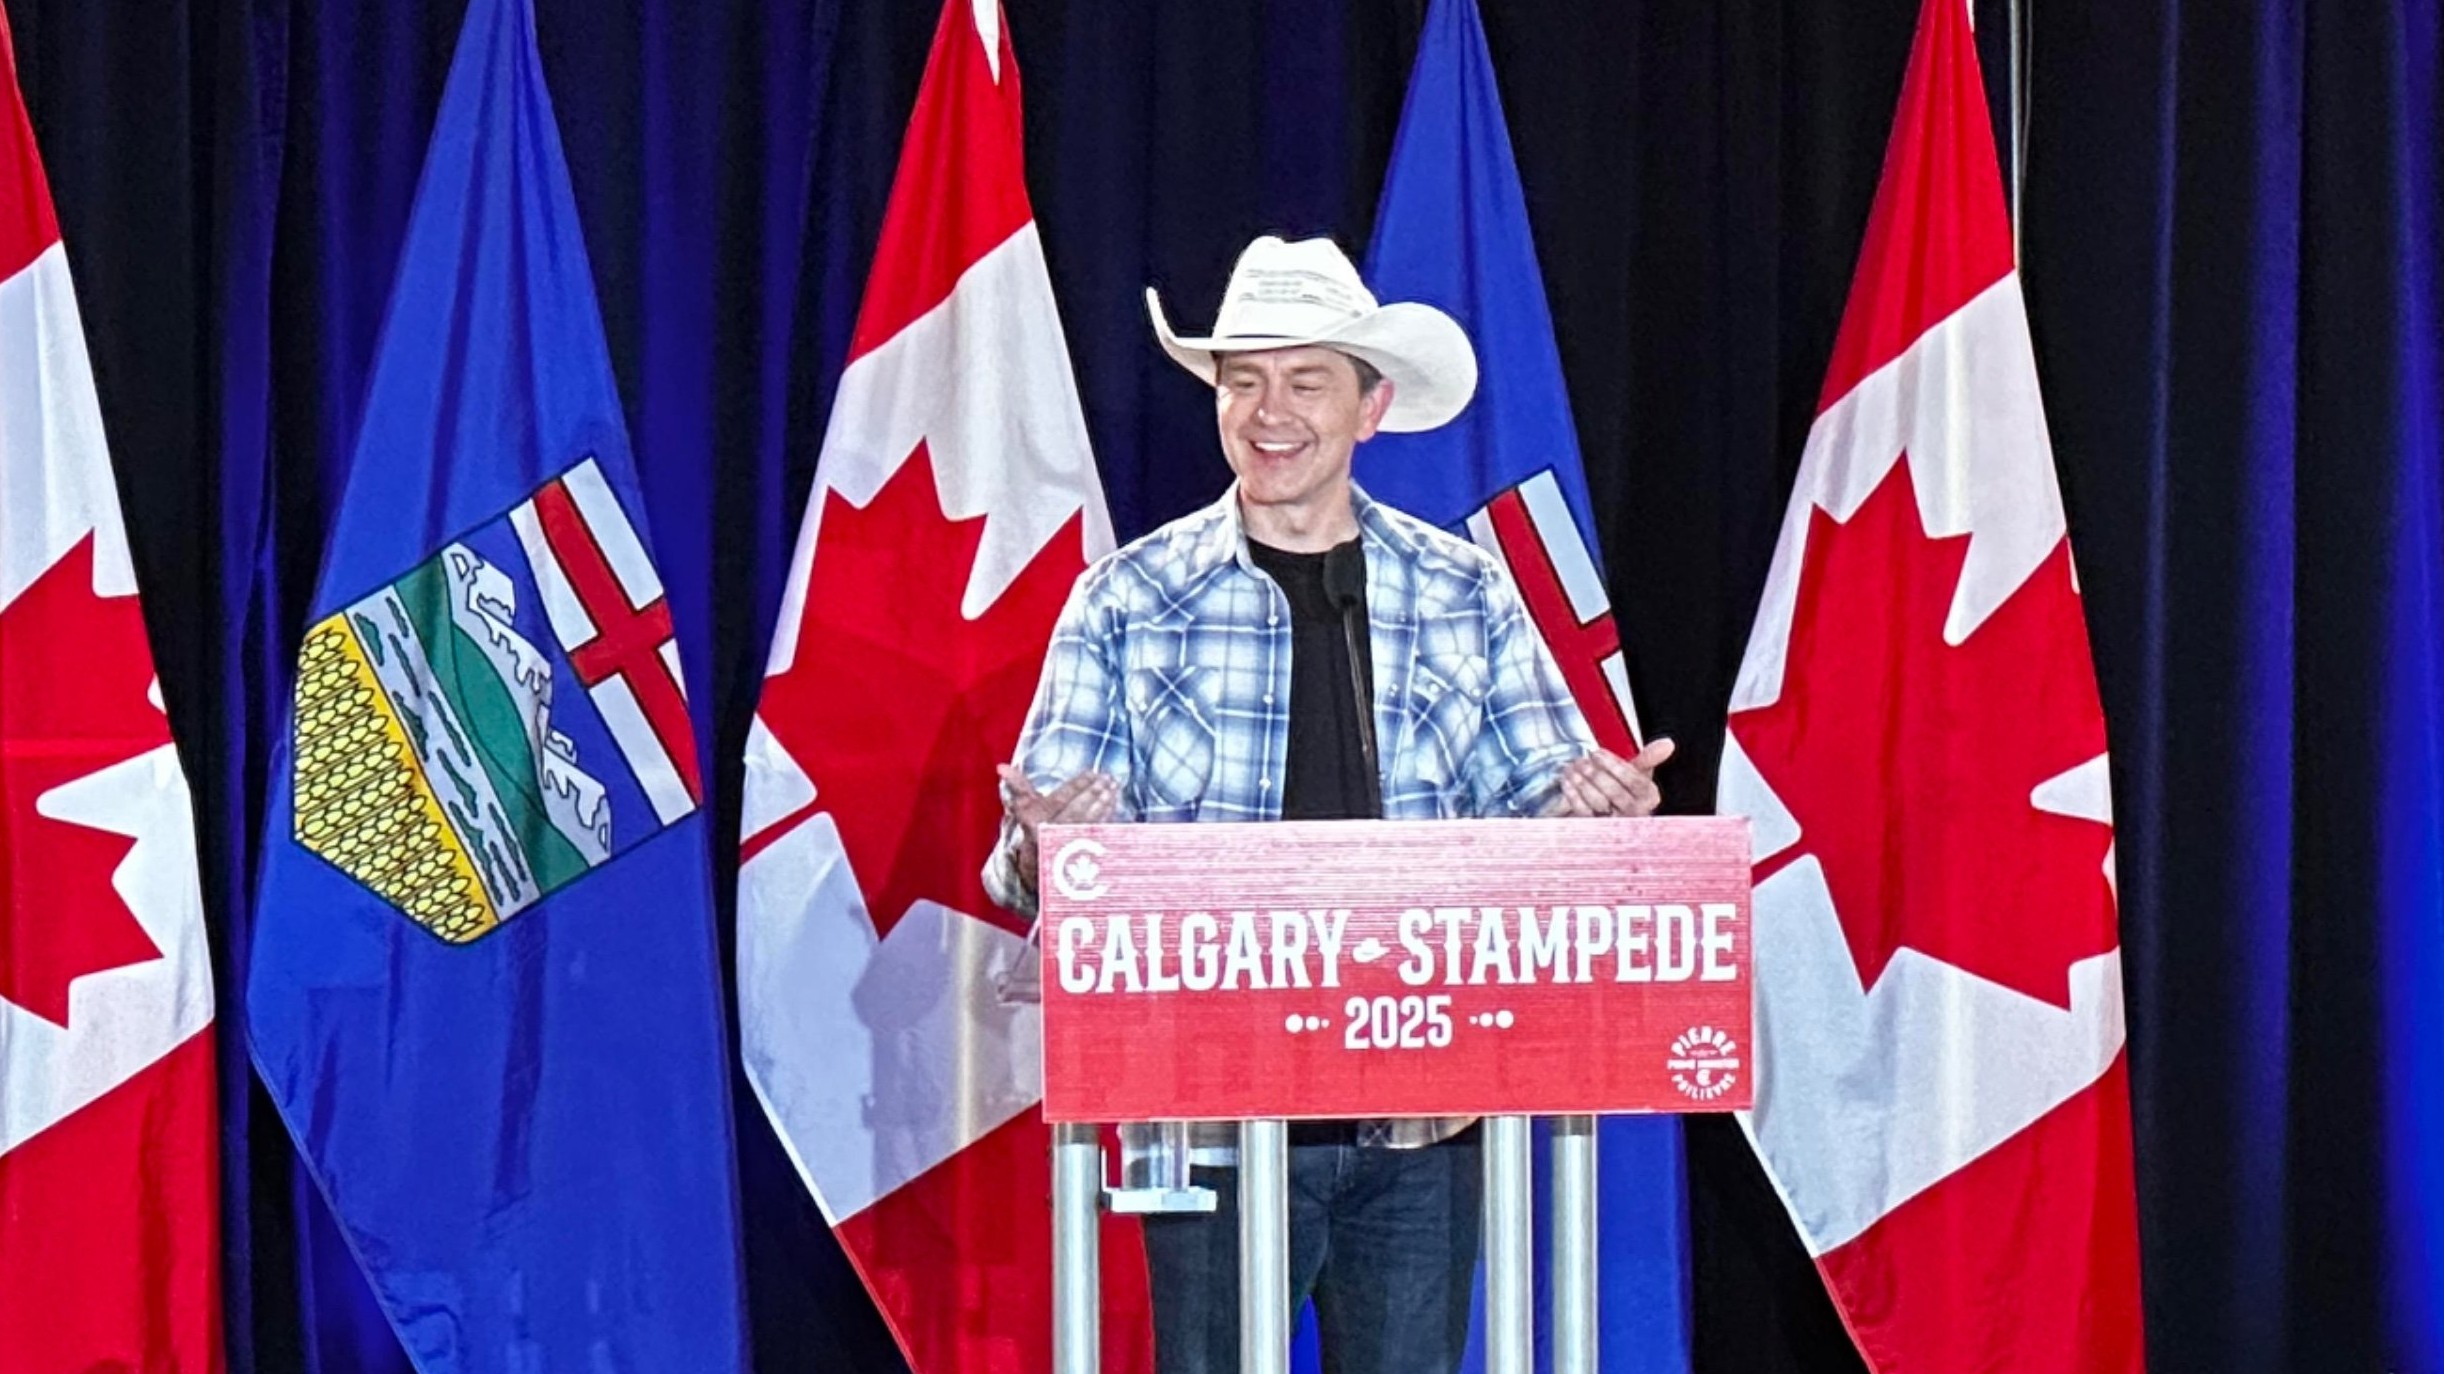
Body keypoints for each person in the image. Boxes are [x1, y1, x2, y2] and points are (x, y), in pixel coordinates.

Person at [982, 235, 1671, 1374]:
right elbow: (1030, 871)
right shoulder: (1127, 598)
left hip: (1423, 1113)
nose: (1270, 412)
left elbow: (1539, 812)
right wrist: (1044, 843)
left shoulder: (1462, 589)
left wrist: (1599, 816)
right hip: (1207, 1114)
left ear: (1370, 407)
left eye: (1306, 381)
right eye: (1243, 381)